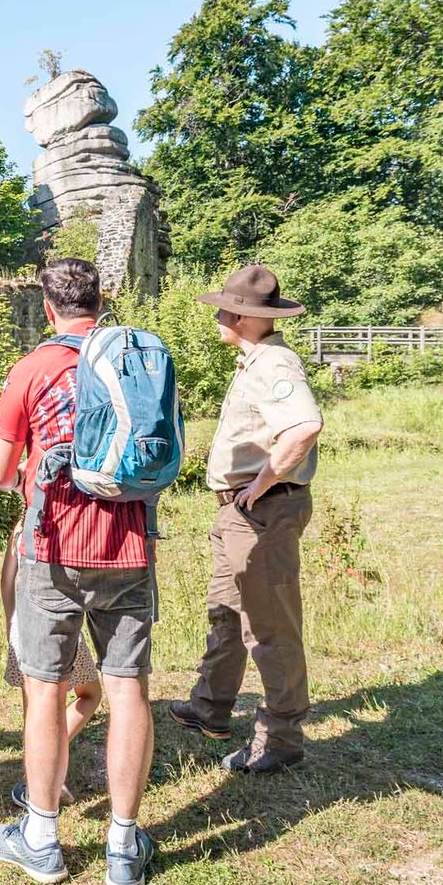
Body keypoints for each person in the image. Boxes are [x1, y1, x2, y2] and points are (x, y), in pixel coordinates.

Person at [0, 257, 159, 885]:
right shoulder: (135, 359)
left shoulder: (32, 369)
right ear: (101, 302)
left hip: (52, 549)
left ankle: (43, 839)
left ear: (48, 308)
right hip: (130, 544)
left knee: (45, 689)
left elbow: (0, 475)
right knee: (128, 689)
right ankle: (122, 846)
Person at [168, 264, 324, 774]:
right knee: (227, 609)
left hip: (262, 510)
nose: (217, 315)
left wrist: (258, 486)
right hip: (244, 511)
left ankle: (279, 737)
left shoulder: (274, 365)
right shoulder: (255, 360)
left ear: (241, 316)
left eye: (223, 309)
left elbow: (303, 427)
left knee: (269, 624)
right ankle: (210, 706)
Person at [0, 530, 102, 811]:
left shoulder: (20, 529)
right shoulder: (63, 527)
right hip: (56, 624)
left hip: (23, 625)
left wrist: (12, 625)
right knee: (90, 695)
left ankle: (35, 778)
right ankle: (46, 764)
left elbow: (6, 582)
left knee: (34, 707)